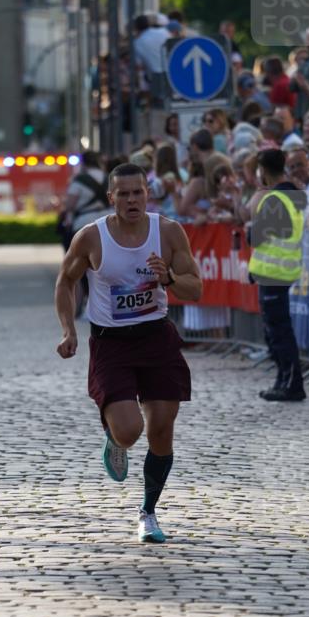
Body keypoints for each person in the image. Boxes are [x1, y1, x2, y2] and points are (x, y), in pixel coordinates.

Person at [55, 162, 203, 544]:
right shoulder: (91, 237)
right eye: (123, 194)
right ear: (111, 198)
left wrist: (167, 278)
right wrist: (69, 329)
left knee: (161, 430)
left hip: (157, 338)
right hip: (112, 343)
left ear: (147, 194)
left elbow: (195, 289)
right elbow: (66, 281)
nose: (132, 200)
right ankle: (114, 435)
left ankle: (148, 512)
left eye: (137, 192)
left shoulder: (168, 232)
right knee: (130, 431)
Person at [249, 148, 307, 401]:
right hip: (281, 270)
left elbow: (256, 236)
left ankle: (292, 383)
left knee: (280, 332)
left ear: (263, 171)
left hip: (274, 272)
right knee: (277, 331)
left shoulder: (274, 199)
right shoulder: (290, 194)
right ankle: (284, 380)